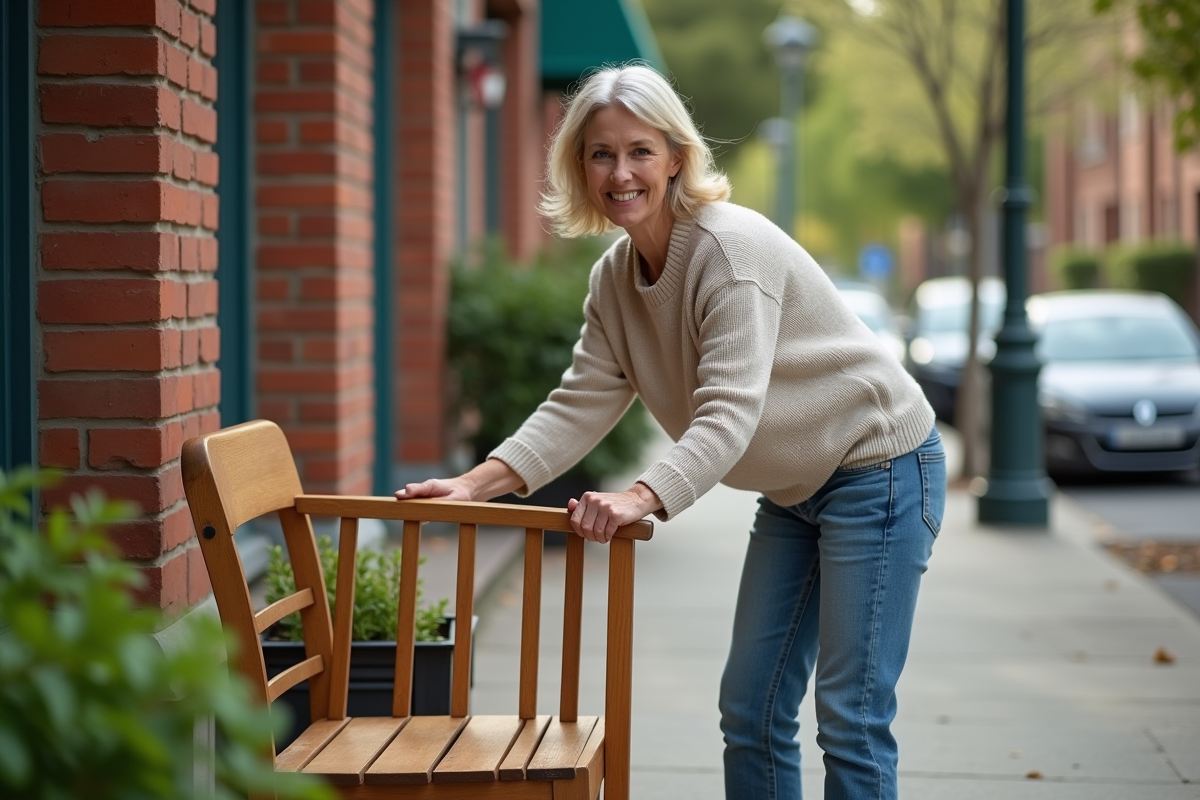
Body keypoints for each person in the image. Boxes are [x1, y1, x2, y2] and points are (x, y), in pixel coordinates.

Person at [396, 63, 945, 800]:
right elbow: (579, 403)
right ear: (580, 166)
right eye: (600, 154)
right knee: (749, 711)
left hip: (878, 471)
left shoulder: (728, 253)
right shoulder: (615, 278)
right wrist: (474, 482)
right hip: (796, 491)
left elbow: (730, 411)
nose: (620, 172)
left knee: (850, 716)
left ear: (677, 157)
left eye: (640, 151)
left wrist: (642, 496)